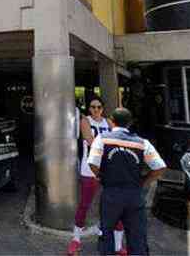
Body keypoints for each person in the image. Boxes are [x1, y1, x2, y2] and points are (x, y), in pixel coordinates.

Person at [87, 108, 167, 256]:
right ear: (130, 123)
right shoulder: (143, 143)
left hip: (111, 194)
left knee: (106, 234)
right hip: (134, 195)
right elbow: (160, 167)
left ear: (111, 120)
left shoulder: (103, 139)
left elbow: (92, 163)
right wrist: (144, 181)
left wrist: (102, 177)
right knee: (137, 238)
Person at [68, 98, 126, 256]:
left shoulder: (108, 121)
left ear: (103, 108)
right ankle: (76, 240)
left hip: (108, 169)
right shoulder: (85, 121)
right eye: (93, 107)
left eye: (99, 107)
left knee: (116, 204)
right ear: (89, 108)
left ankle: (118, 245)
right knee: (84, 204)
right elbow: (91, 141)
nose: (96, 109)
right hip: (90, 169)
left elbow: (120, 139)